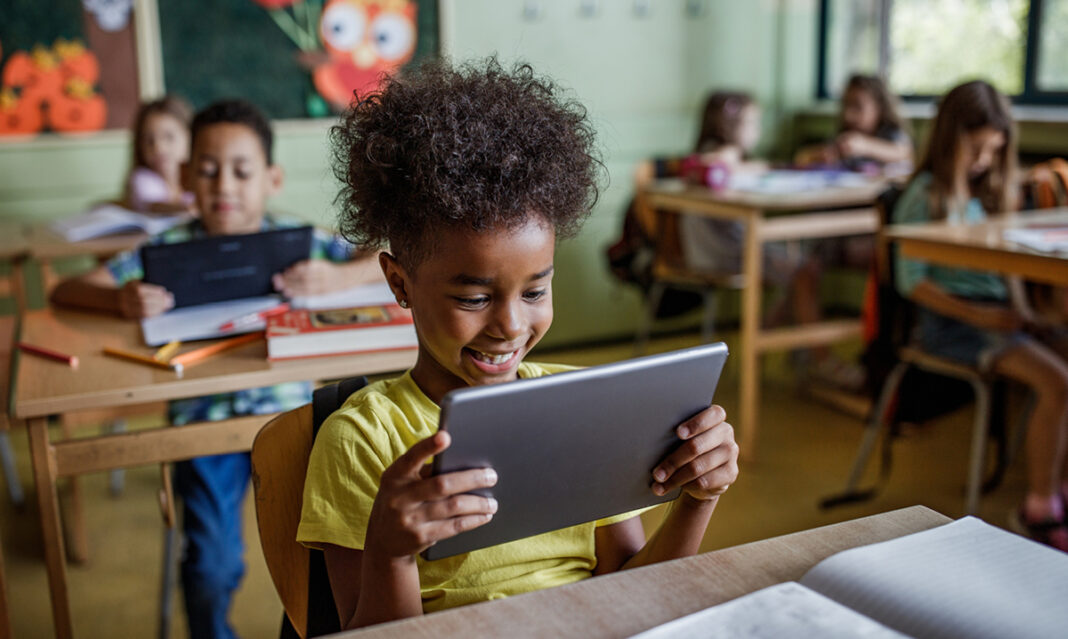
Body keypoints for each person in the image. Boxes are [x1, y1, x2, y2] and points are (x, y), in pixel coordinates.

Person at [296, 58, 740, 630]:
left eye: (535, 291)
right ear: (399, 283)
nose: (509, 325)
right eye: (474, 298)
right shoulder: (362, 439)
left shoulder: (579, 405)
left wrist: (699, 499)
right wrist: (391, 553)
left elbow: (634, 593)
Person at [51, 98, 384, 638]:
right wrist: (123, 301)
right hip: (202, 430)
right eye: (207, 170)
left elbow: (382, 254)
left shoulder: (295, 242)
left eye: (241, 170)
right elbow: (68, 288)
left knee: (330, 557)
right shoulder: (165, 251)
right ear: (184, 176)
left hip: (292, 421)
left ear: (271, 178)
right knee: (212, 566)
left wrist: (336, 279)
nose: (224, 185)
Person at [892, 80, 1068, 552]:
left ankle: (1055, 483)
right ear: (951, 137)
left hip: (999, 316)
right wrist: (982, 317)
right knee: (1058, 382)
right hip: (952, 326)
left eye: (994, 151)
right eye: (977, 149)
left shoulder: (987, 193)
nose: (985, 161)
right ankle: (1038, 507)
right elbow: (912, 282)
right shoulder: (925, 195)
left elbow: (1007, 267)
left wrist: (1027, 313)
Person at [795, 74, 913, 175]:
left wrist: (865, 146)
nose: (848, 114)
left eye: (858, 106)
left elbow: (905, 153)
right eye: (845, 105)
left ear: (880, 108)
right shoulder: (845, 134)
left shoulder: (890, 133)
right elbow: (802, 157)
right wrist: (823, 156)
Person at [123, 95, 196, 213]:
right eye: (149, 140)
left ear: (190, 137)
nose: (158, 148)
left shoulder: (199, 180)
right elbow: (151, 205)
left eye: (169, 137)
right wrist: (187, 209)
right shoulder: (142, 179)